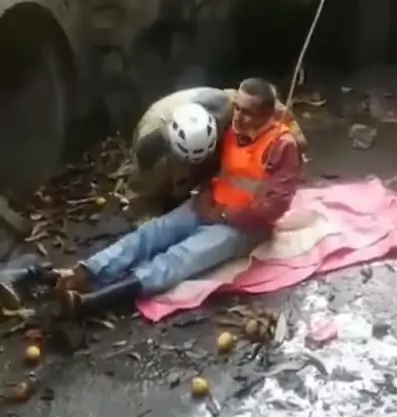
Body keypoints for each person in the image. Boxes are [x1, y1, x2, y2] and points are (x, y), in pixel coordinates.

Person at [55, 79, 303, 317]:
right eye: (237, 108)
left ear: (266, 114)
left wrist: (226, 215)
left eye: (247, 112)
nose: (238, 115)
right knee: (152, 233)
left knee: (180, 257)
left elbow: (274, 206)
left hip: (245, 227)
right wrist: (206, 194)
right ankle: (85, 272)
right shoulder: (230, 128)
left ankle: (96, 300)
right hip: (210, 205)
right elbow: (218, 170)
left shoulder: (281, 147)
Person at [127, 84, 307, 217]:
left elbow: (268, 107)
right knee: (167, 197)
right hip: (167, 156)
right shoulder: (151, 149)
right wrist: (147, 218)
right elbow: (139, 193)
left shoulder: (225, 105)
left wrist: (297, 141)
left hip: (210, 136)